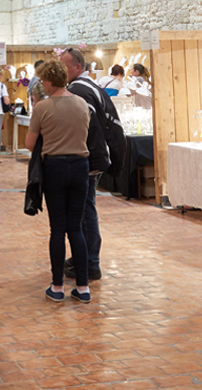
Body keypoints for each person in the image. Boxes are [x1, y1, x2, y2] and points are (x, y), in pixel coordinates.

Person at [27, 59, 92, 303]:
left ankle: (57, 286)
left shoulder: (43, 107)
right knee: (76, 228)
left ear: (49, 80)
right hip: (80, 166)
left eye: (43, 79)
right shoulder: (82, 103)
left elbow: (29, 144)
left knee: (58, 228)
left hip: (54, 166)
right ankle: (83, 288)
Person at [57, 46, 122, 282]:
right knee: (84, 210)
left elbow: (84, 128)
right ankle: (83, 258)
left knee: (84, 211)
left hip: (87, 159)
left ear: (78, 66)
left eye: (64, 66)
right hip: (93, 156)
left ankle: (90, 262)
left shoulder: (78, 90)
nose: (61, 71)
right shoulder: (89, 86)